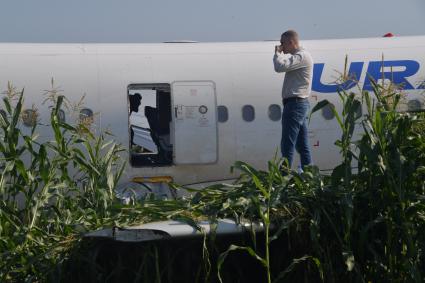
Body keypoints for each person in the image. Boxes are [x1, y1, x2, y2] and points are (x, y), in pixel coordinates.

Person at [273, 30, 313, 170]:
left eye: (282, 43)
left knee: (287, 144)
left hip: (295, 105)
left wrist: (277, 53)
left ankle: (283, 176)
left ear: (291, 42)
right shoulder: (300, 57)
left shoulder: (301, 56)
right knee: (302, 145)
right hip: (298, 104)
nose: (281, 46)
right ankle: (309, 174)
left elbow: (279, 67)